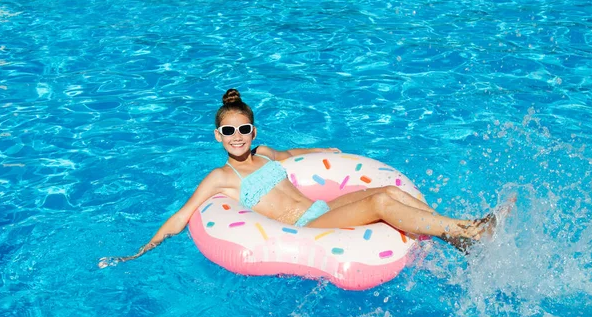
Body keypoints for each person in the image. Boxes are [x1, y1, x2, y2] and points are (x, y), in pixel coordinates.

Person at [99, 89, 505, 268]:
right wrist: (138, 252)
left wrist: (332, 152)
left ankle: (456, 239)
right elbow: (182, 215)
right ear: (217, 136)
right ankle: (469, 229)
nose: (237, 137)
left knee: (383, 189)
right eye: (228, 132)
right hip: (302, 225)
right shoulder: (220, 178)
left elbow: (298, 155)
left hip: (320, 208)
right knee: (380, 205)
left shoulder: (267, 154)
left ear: (253, 132)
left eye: (244, 130)